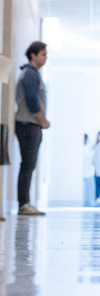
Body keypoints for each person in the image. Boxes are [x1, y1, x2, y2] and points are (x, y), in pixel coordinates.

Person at [14, 41, 50, 217]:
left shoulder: (32, 73)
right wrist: (42, 119)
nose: (45, 58)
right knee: (27, 164)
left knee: (28, 164)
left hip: (29, 124)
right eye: (43, 54)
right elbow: (31, 102)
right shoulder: (29, 74)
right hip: (28, 124)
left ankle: (25, 202)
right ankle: (24, 203)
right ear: (33, 55)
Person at [82, 133, 96, 207]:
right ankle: (89, 202)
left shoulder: (88, 147)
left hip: (89, 171)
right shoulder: (85, 148)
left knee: (89, 189)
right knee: (88, 189)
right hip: (86, 171)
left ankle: (90, 202)